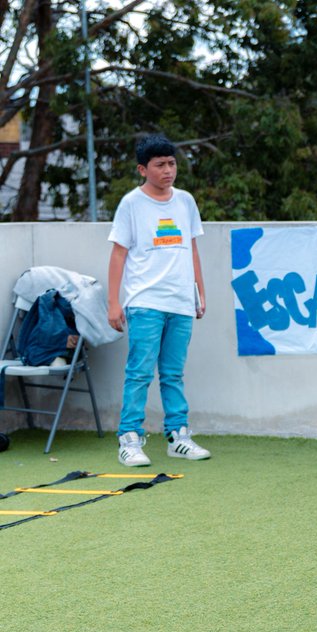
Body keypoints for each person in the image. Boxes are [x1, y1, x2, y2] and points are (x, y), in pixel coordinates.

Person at [106, 134, 210, 467]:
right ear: (143, 169)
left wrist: (199, 292)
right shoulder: (131, 204)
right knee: (139, 373)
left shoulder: (186, 201)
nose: (168, 170)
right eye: (160, 165)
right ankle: (129, 439)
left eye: (172, 163)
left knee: (173, 374)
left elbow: (192, 248)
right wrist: (113, 303)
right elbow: (118, 254)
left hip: (180, 302)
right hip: (145, 302)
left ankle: (178, 436)